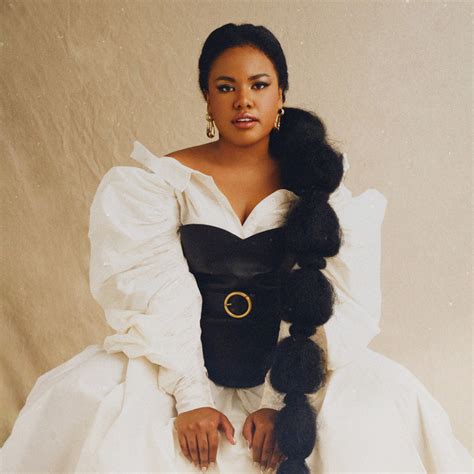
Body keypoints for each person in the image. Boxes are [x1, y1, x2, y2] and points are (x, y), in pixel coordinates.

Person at [1, 22, 472, 474]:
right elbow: (158, 294)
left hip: (291, 375)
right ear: (207, 98)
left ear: (281, 95)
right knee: (97, 411)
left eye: (259, 85)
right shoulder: (161, 183)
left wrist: (281, 402)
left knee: (372, 417)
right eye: (225, 87)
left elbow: (335, 305)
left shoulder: (319, 190)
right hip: (184, 369)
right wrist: (192, 400)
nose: (243, 100)